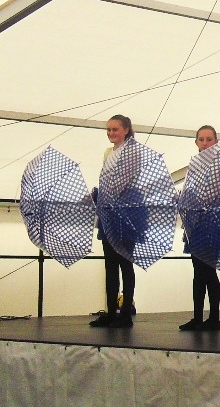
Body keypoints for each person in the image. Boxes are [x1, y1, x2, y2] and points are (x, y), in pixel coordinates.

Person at [90, 114, 137, 328]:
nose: (111, 133)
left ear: (126, 130)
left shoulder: (133, 152)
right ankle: (111, 312)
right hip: (109, 212)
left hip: (126, 214)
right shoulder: (107, 152)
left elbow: (130, 183)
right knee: (110, 265)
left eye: (115, 129)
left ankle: (125, 313)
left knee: (125, 264)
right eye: (108, 130)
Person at [179, 125, 220, 331]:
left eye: (208, 139)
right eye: (201, 139)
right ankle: (197, 317)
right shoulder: (193, 164)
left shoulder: (219, 164)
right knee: (198, 271)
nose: (204, 143)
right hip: (194, 223)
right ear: (196, 142)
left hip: (212, 223)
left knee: (209, 271)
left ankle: (214, 318)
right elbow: (191, 191)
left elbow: (215, 194)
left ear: (216, 142)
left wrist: (194, 198)